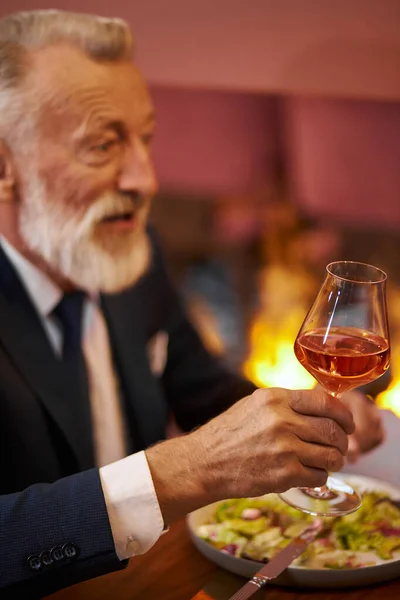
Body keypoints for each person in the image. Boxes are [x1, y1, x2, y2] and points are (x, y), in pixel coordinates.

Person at [0, 10, 384, 599]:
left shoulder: (124, 242)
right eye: (103, 145)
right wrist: (186, 470)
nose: (146, 179)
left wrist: (297, 423)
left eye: (145, 138)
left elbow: (201, 387)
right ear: (6, 165)